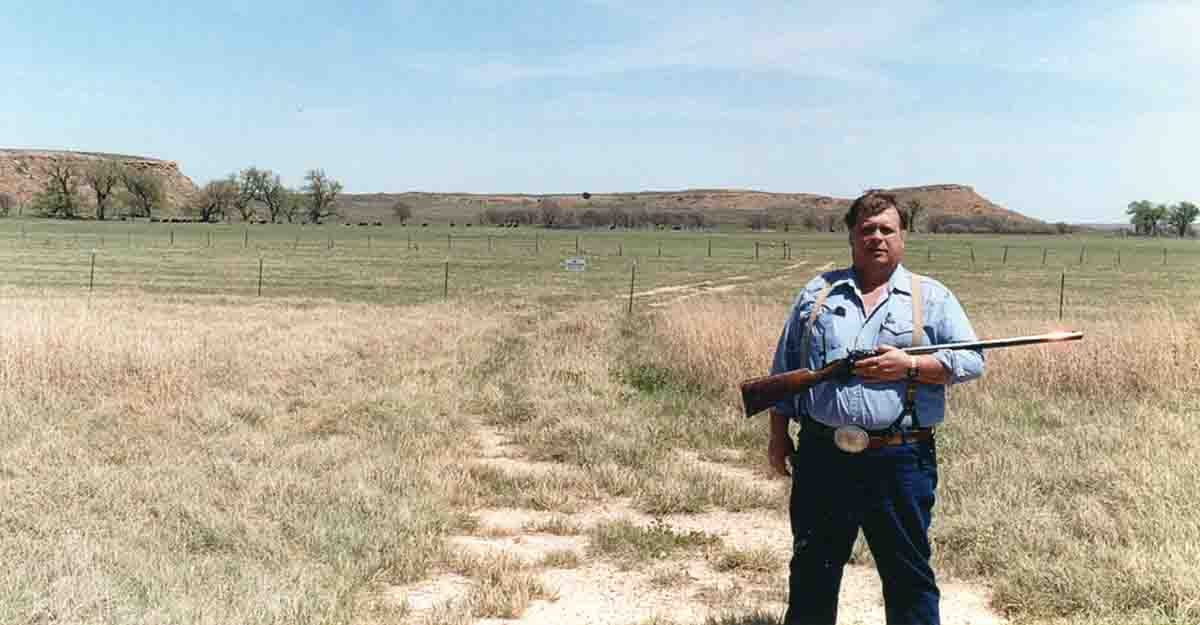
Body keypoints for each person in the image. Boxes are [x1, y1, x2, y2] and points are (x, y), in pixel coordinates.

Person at [767, 190, 984, 625]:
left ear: (903, 236)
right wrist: (777, 439)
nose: (877, 238)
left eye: (887, 229)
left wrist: (910, 365)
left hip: (900, 457)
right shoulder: (818, 294)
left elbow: (972, 360)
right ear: (851, 236)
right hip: (822, 455)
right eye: (867, 230)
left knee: (908, 574)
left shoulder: (932, 297)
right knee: (812, 569)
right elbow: (784, 371)